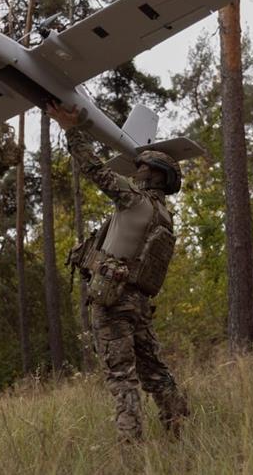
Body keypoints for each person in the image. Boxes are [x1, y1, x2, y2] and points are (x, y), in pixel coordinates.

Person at [47, 101, 189, 443]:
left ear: (154, 175)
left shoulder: (134, 200)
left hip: (112, 301)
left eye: (142, 168)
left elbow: (94, 169)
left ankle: (132, 446)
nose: (136, 171)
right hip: (138, 304)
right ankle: (180, 427)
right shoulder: (164, 216)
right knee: (154, 371)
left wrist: (71, 130)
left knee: (121, 377)